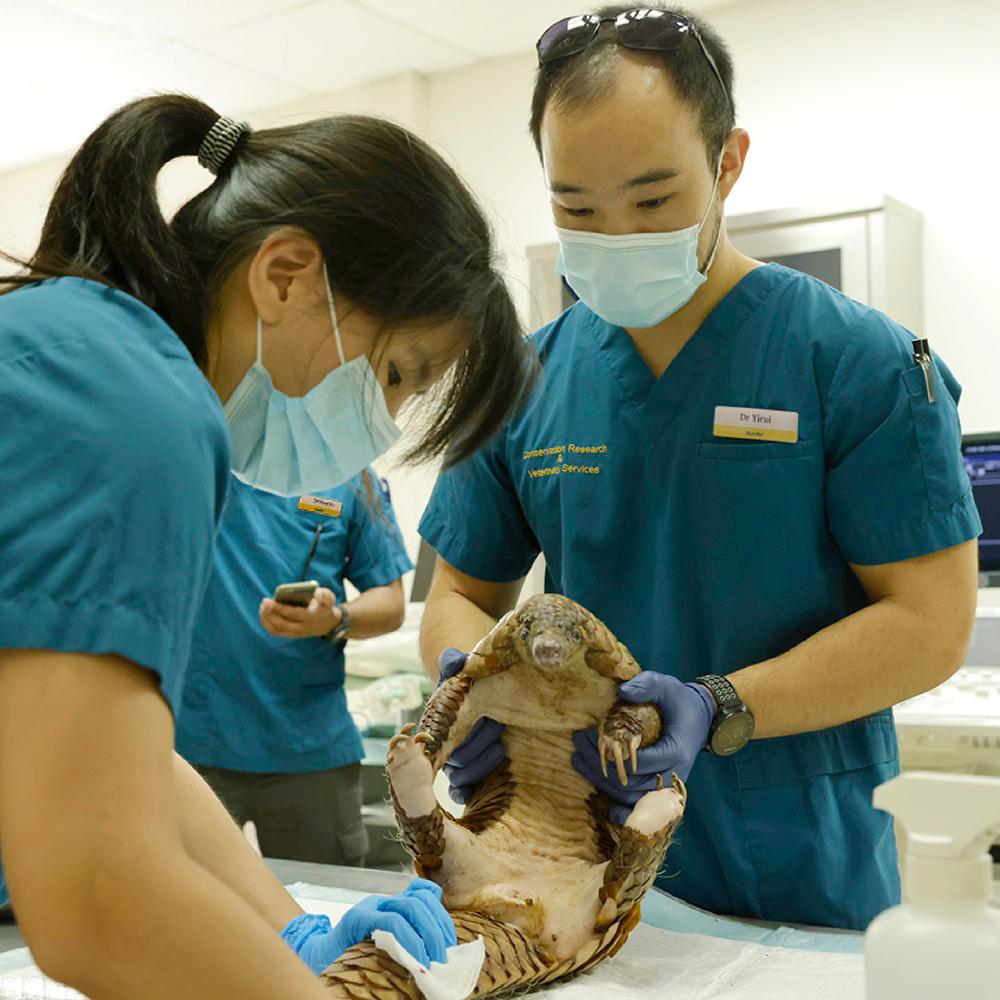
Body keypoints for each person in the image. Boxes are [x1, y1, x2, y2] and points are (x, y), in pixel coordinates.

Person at [418, 4, 980, 932]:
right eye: (576, 209)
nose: (615, 235)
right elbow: (457, 594)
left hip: (796, 864)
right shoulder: (524, 378)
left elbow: (931, 622)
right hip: (576, 852)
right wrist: (477, 690)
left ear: (727, 163)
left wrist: (717, 705)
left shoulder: (858, 362)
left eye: (651, 201)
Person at [0, 94, 534, 998]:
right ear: (284, 277)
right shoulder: (130, 407)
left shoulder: (84, 349)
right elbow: (98, 896)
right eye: (394, 374)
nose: (381, 424)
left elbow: (116, 759)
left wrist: (291, 930)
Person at [177, 471, 413, 866]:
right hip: (195, 747)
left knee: (327, 898)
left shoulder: (347, 474)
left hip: (310, 752)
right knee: (180, 899)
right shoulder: (198, 457)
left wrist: (335, 618)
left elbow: (390, 601)